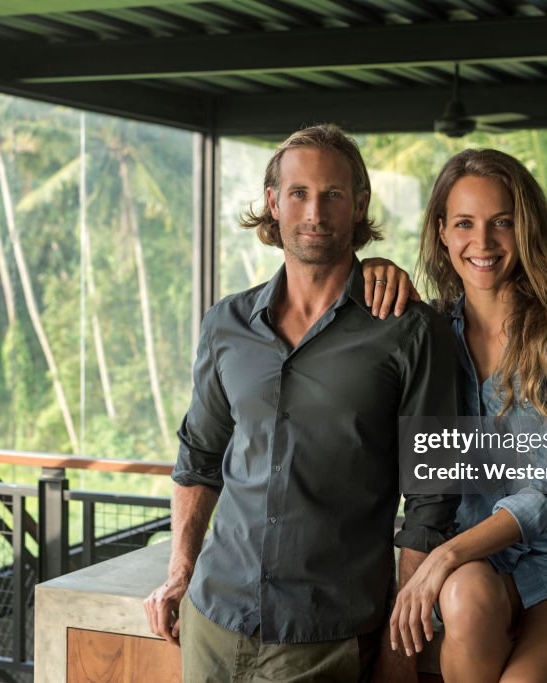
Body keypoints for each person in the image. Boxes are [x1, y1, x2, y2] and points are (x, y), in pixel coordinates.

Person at [143, 124, 459, 683]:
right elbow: (199, 458)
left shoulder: (409, 331)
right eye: (298, 193)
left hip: (325, 634)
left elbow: (431, 499)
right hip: (211, 620)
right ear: (273, 202)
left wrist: (400, 638)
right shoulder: (227, 324)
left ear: (359, 205)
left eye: (333, 194)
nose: (315, 212)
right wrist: (179, 571)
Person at [365, 148, 547, 683]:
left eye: (502, 223)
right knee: (464, 594)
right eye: (464, 223)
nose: (483, 242)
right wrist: (369, 273)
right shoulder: (427, 334)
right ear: (442, 232)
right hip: (480, 567)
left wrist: (443, 558)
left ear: (526, 229)